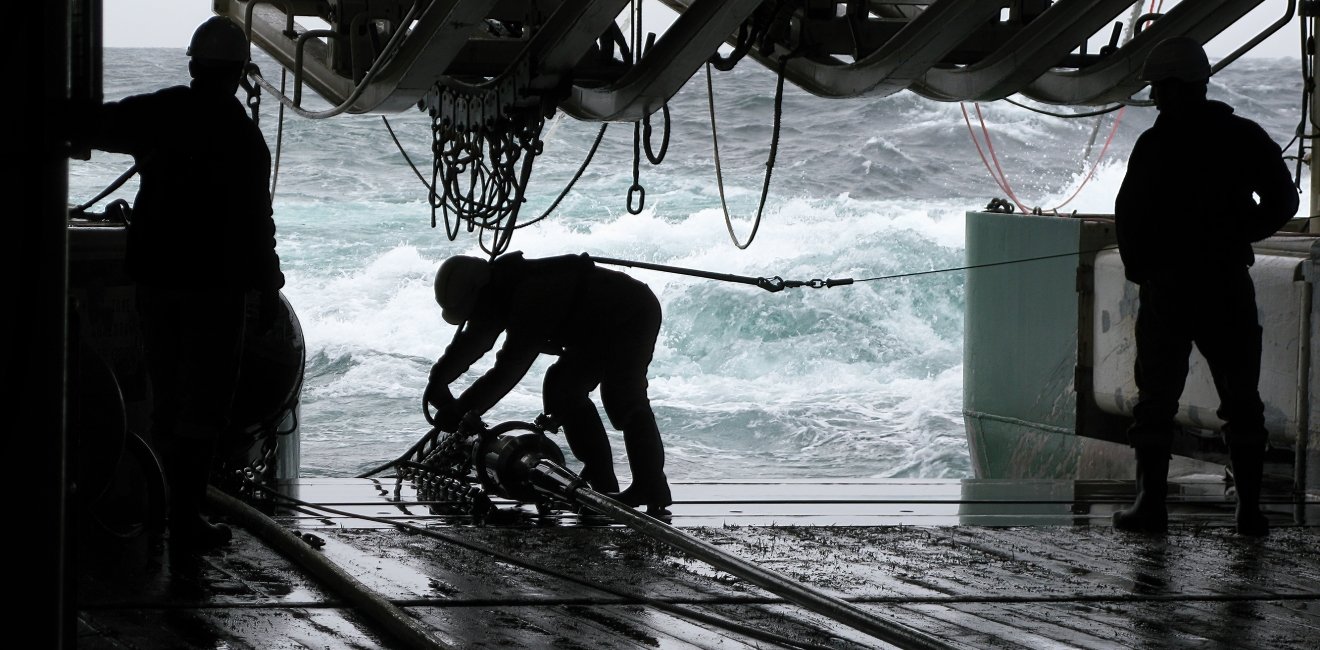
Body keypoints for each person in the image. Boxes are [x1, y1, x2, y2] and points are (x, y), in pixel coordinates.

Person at [75, 17, 285, 552]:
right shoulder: (244, 137)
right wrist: (268, 288)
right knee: (206, 406)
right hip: (216, 291)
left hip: (159, 283)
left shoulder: (161, 112)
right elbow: (257, 225)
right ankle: (186, 518)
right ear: (242, 73)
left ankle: (169, 513)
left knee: (167, 399)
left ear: (192, 64)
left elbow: (95, 126)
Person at [1112, 36, 1298, 536]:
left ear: (1174, 88)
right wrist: (1243, 233)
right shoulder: (1244, 135)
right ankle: (1249, 511)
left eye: (1157, 88)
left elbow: (1128, 217)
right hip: (1226, 284)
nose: (1153, 98)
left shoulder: (1156, 144)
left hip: (1169, 289)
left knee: (1156, 400)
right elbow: (1283, 200)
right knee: (1242, 400)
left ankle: (1150, 505)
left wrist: (1141, 269)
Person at [424, 252, 672, 515]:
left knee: (622, 396)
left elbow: (509, 369)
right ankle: (601, 477)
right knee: (562, 389)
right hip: (593, 330)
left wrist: (461, 409)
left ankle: (651, 485)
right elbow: (474, 340)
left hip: (630, 313)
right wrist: (438, 380)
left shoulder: (532, 295)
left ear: (479, 291)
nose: (472, 316)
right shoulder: (494, 293)